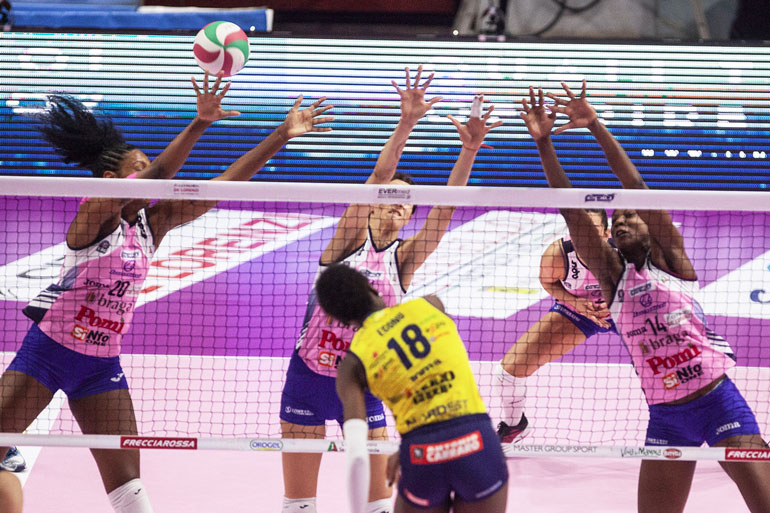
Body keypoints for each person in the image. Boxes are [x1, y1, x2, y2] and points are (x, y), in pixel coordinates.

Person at [0, 74, 333, 513]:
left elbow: (220, 187)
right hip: (46, 355)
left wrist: (281, 135)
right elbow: (157, 176)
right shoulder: (93, 214)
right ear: (110, 179)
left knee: (130, 492)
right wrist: (199, 123)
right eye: (138, 168)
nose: (152, 176)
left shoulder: (151, 226)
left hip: (100, 368)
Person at [521, 81, 770, 513]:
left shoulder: (673, 261)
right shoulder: (612, 279)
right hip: (667, 417)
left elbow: (634, 182)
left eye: (630, 215)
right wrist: (543, 142)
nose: (621, 222)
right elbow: (570, 210)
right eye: (616, 220)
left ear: (651, 225)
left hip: (718, 402)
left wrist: (594, 125)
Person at [279, 66, 502, 513]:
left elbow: (445, 211)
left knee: (379, 505)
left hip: (367, 379)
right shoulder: (347, 241)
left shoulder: (403, 259)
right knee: (298, 505)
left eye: (406, 202)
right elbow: (380, 176)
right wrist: (407, 122)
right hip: (308, 377)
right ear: (374, 206)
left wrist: (470, 149)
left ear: (408, 216)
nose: (397, 203)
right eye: (390, 196)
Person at [316, 263, 509, 513]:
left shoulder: (352, 365)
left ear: (342, 320)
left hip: (422, 455)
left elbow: (356, 454)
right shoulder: (431, 305)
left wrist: (412, 446)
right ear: (370, 288)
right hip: (476, 443)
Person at [494, 208, 615, 444]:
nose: (583, 236)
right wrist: (574, 302)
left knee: (675, 368)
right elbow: (548, 282)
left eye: (592, 230)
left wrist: (618, 302)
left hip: (628, 311)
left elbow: (652, 284)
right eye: (577, 230)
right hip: (579, 311)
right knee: (508, 372)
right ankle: (515, 425)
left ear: (606, 233)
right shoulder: (558, 255)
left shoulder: (625, 250)